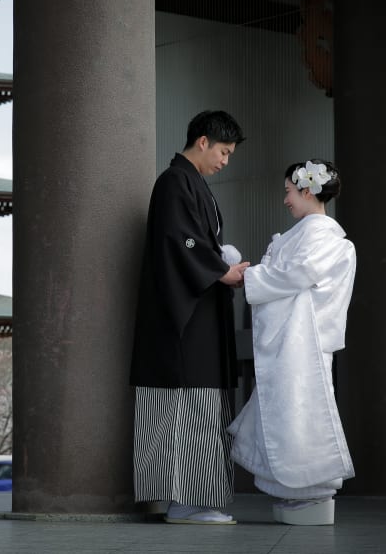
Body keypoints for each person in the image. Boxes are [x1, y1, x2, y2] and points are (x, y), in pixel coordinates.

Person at [130, 109, 250, 525]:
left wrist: (222, 266)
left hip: (198, 312)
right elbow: (178, 241)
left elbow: (194, 242)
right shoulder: (173, 182)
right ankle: (186, 501)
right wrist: (222, 270)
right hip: (182, 319)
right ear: (203, 141)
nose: (225, 161)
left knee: (199, 401)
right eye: (224, 151)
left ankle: (194, 499)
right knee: (186, 401)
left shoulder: (189, 183)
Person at [228, 159, 357, 526]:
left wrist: (249, 276)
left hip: (304, 341)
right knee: (289, 408)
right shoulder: (309, 234)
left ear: (306, 190)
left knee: (302, 410)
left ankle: (312, 489)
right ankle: (298, 491)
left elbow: (297, 274)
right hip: (297, 339)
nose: (285, 200)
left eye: (288, 191)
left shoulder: (321, 236)